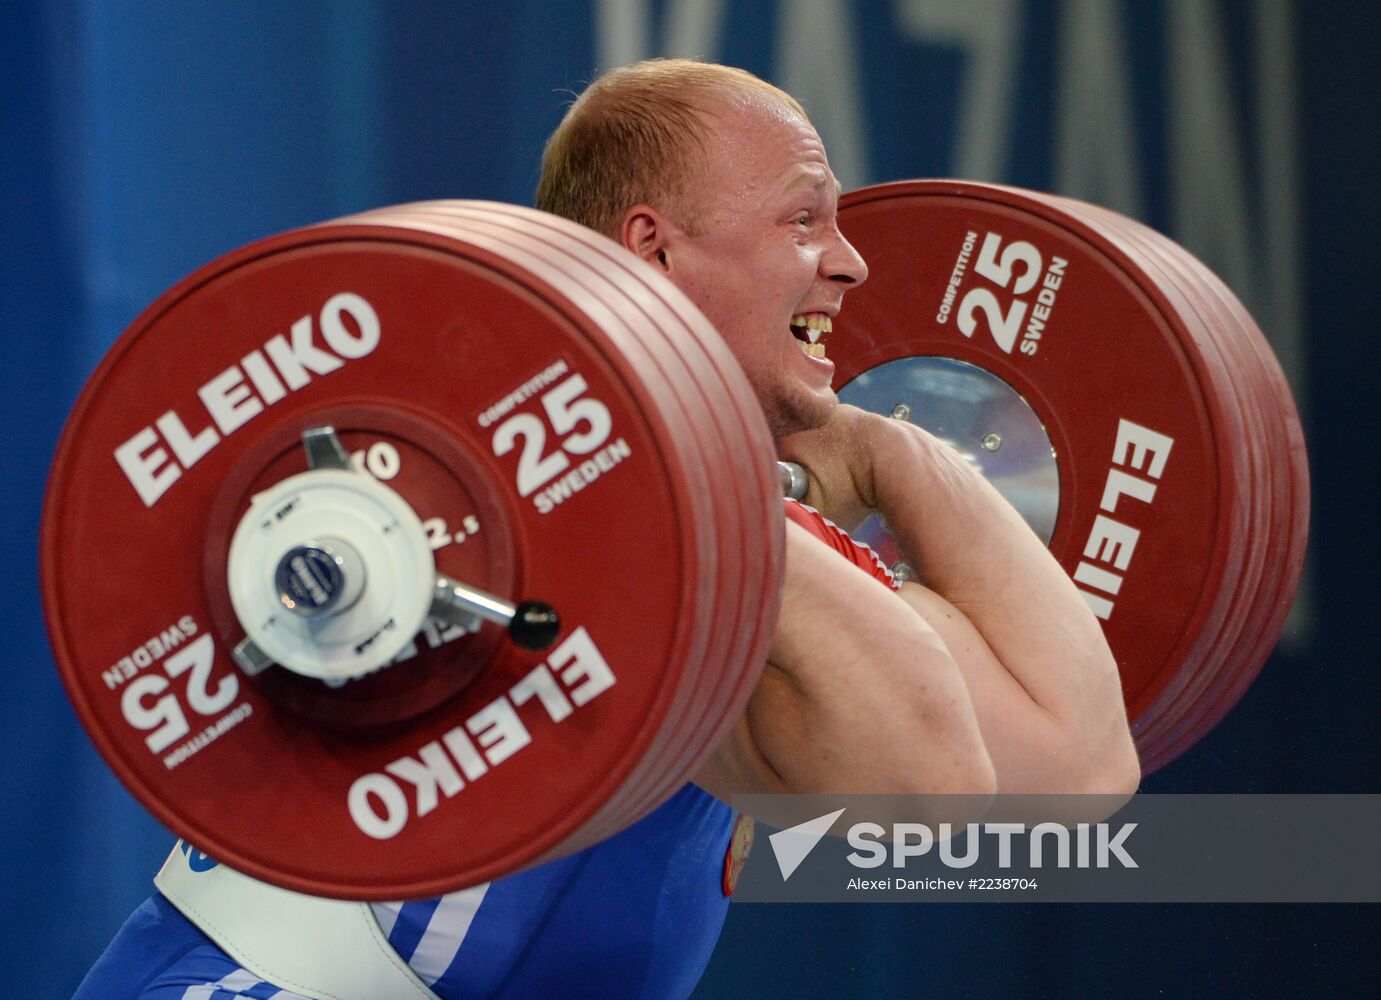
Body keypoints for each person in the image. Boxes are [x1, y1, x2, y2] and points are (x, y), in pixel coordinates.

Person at [75, 59, 1138, 999]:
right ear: (654, 249)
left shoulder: (738, 525)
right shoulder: (492, 472)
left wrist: (892, 453)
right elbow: (926, 798)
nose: (851, 263)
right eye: (803, 220)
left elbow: (1078, 768)